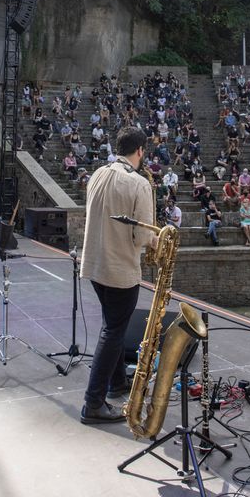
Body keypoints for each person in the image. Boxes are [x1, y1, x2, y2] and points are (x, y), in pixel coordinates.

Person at [80, 127, 158, 425]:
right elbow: (141, 236)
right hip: (121, 268)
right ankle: (93, 403)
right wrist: (156, 240)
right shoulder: (138, 184)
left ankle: (117, 384)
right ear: (140, 151)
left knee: (111, 325)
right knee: (113, 330)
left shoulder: (97, 174)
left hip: (95, 264)